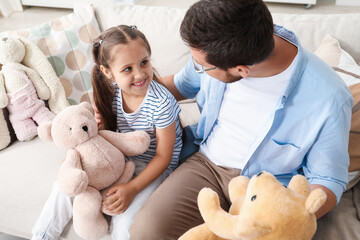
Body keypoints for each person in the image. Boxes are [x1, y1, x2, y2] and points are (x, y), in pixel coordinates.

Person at [129, 0, 354, 239]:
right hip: (207, 166)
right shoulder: (225, 42)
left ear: (241, 71)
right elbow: (178, 85)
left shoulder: (330, 98)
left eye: (203, 67)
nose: (198, 69)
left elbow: (327, 179)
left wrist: (288, 216)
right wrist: (115, 103)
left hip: (271, 187)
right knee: (147, 231)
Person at [31, 25, 182, 240]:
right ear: (107, 72)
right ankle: (41, 235)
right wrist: (92, 135)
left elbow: (164, 157)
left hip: (154, 168)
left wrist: (131, 189)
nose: (140, 74)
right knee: (65, 185)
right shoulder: (110, 91)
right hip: (121, 157)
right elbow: (102, 133)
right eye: (127, 69)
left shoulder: (162, 102)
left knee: (123, 221)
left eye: (144, 63)